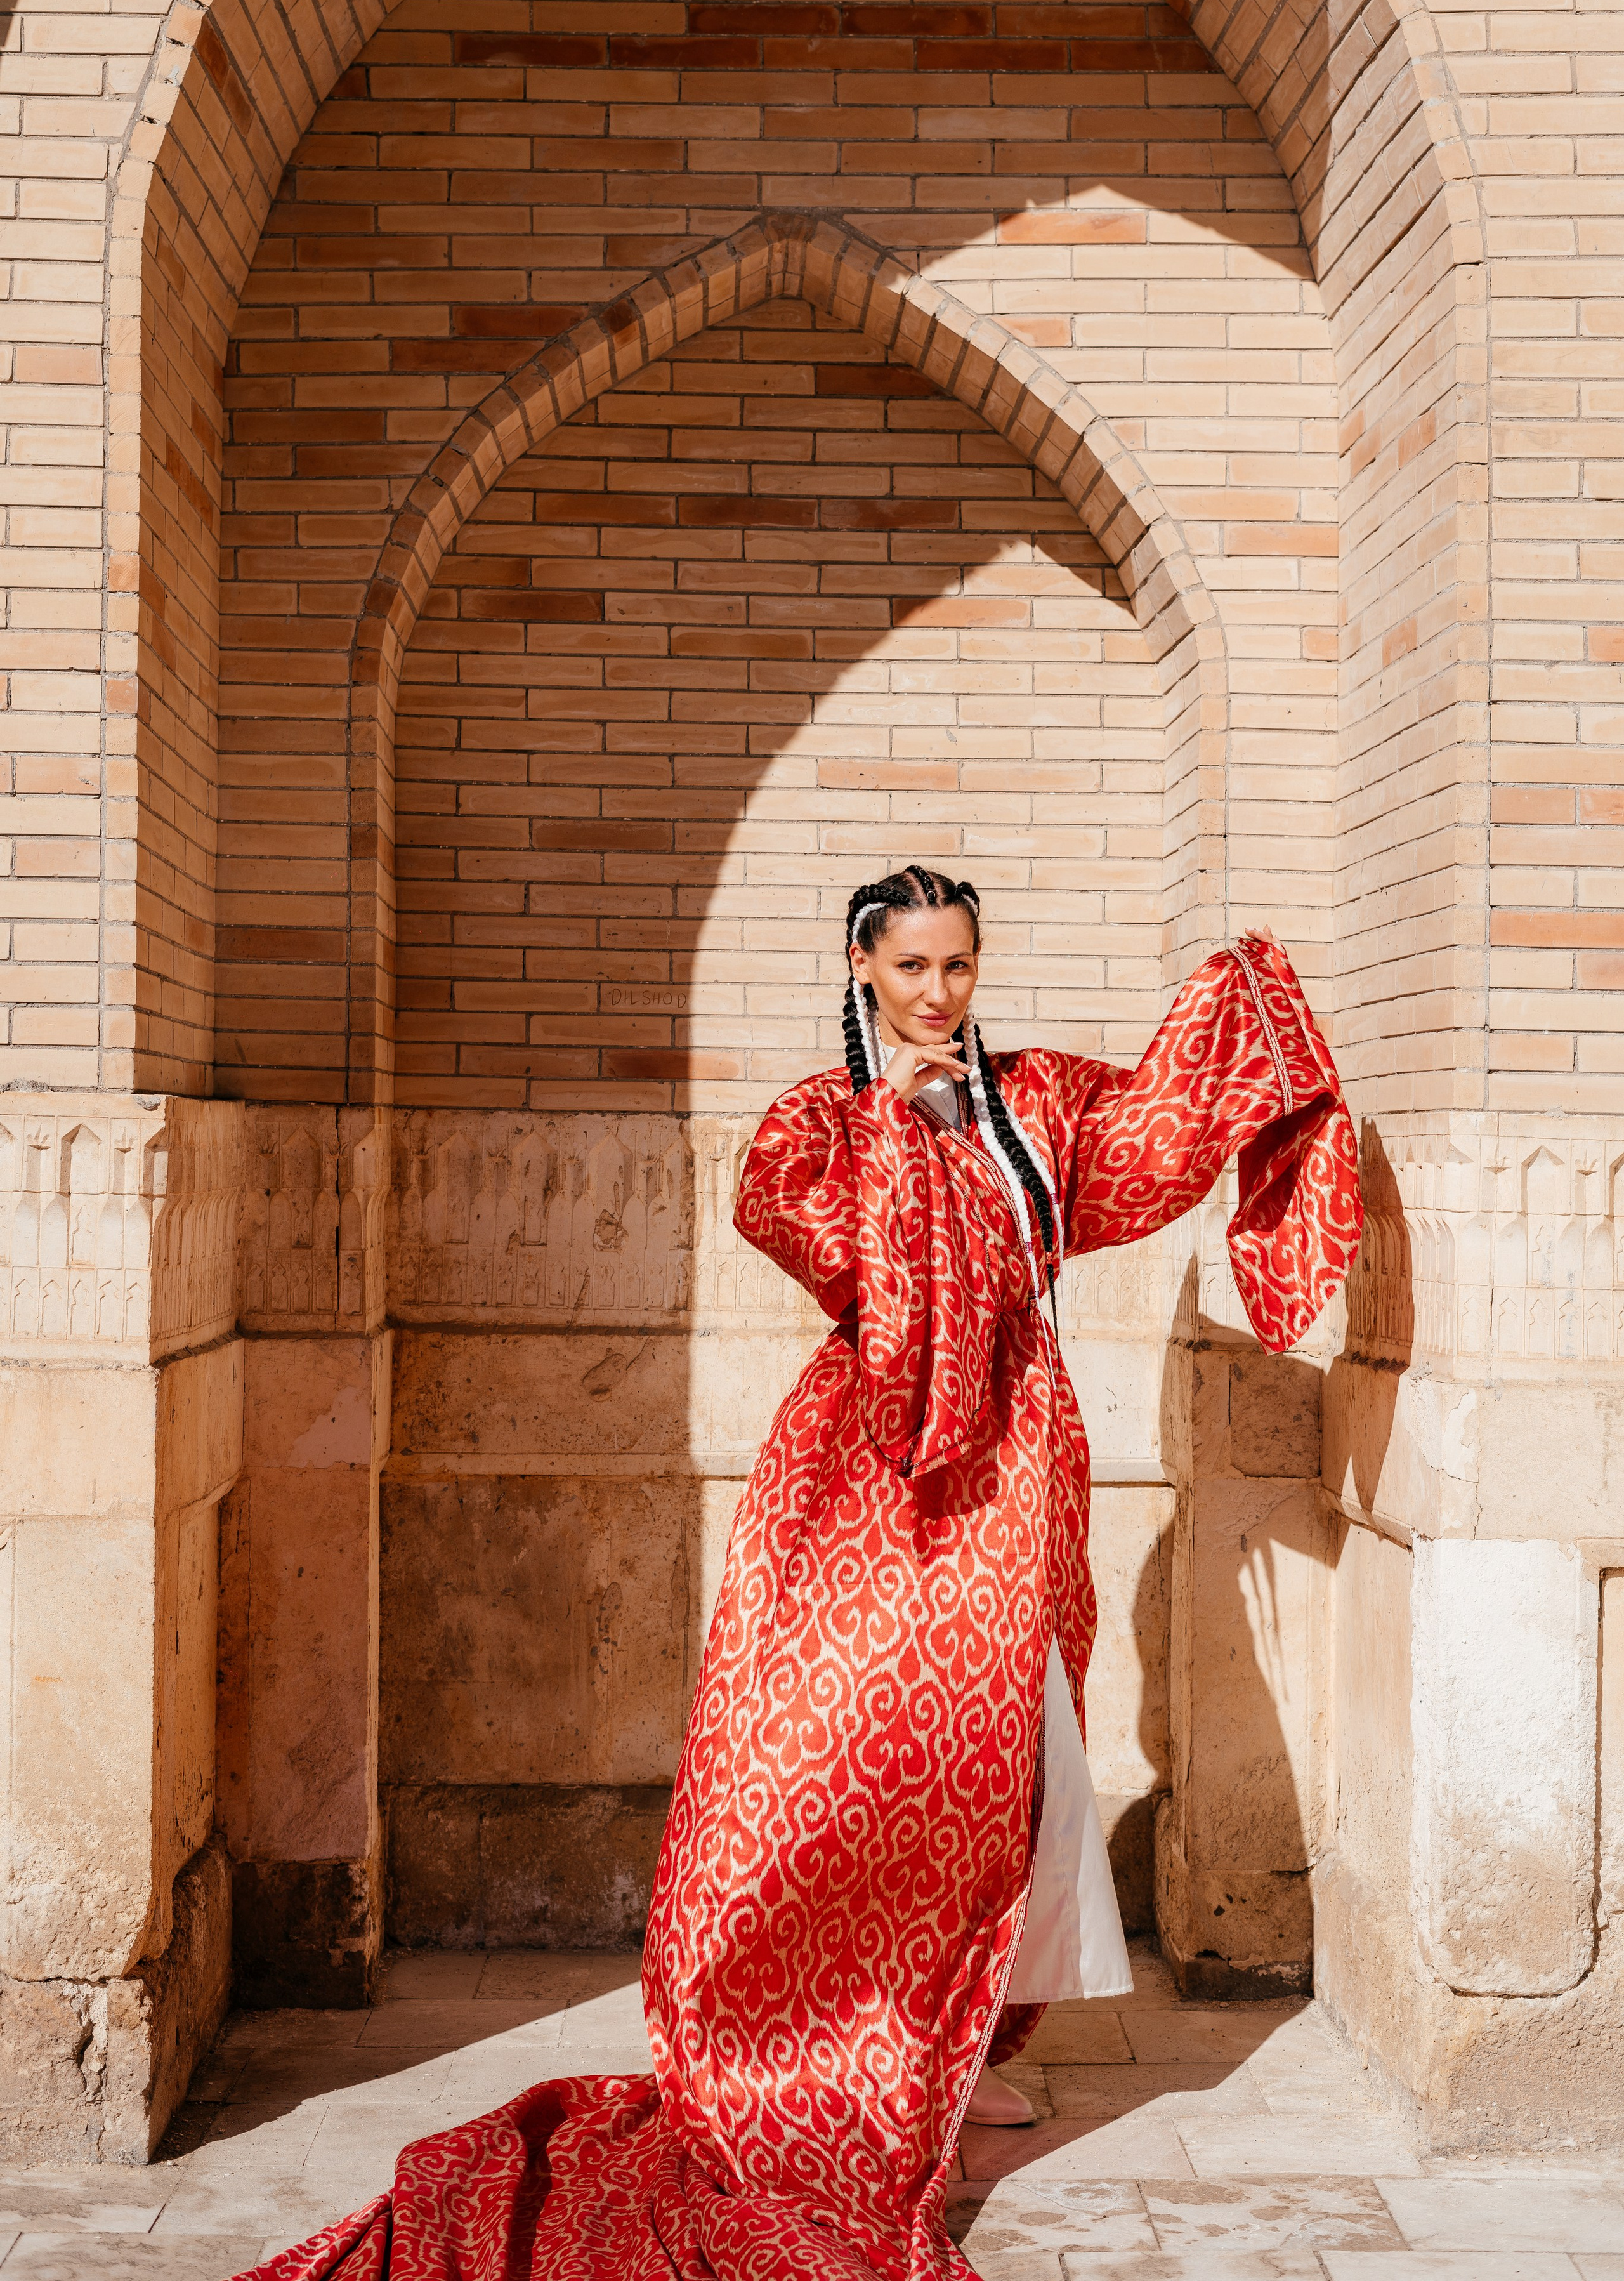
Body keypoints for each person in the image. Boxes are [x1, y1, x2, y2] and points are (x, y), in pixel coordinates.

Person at [239, 867, 1362, 2281]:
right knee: (853, 1779)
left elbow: (1142, 1145)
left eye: (960, 963)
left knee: (1017, 1771)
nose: (942, 994)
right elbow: (837, 1261)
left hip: (1017, 1477)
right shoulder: (813, 1126)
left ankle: (943, 2066)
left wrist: (1235, 1002)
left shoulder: (1036, 1101)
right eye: (914, 967)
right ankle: (841, 2075)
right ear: (863, 965)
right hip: (862, 1491)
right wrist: (901, 1116)